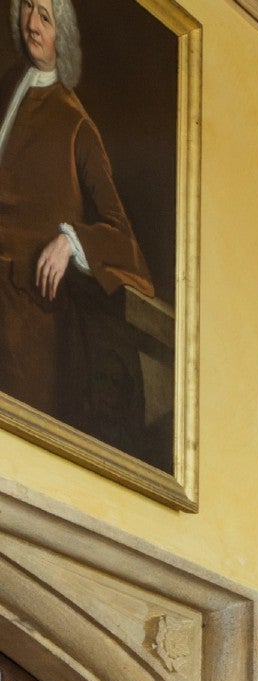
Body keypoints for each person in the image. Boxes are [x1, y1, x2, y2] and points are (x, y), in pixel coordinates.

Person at [0, 0, 152, 446]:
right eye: (27, 9)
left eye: (45, 18)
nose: (31, 25)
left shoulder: (77, 125)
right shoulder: (8, 85)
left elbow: (124, 239)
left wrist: (70, 242)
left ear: (62, 34)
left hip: (29, 335)